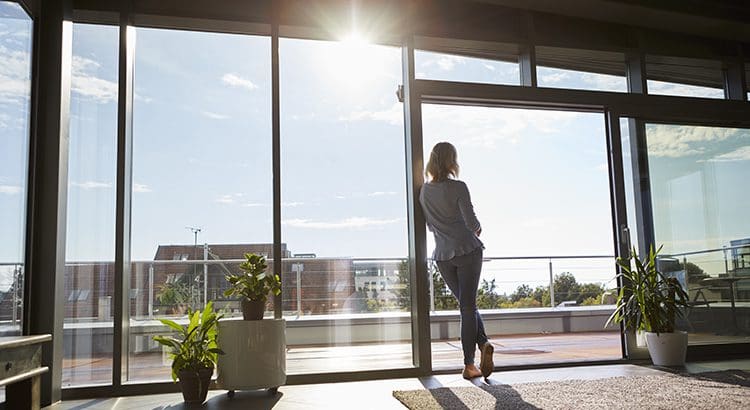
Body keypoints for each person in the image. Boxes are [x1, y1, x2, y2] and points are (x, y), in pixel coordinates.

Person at [419, 141, 494, 380]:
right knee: (468, 306)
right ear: (452, 161)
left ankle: (482, 346)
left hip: (442, 255)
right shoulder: (459, 186)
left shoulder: (424, 192)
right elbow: (472, 222)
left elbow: (430, 225)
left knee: (466, 304)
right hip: (467, 250)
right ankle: (469, 363)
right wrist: (478, 228)